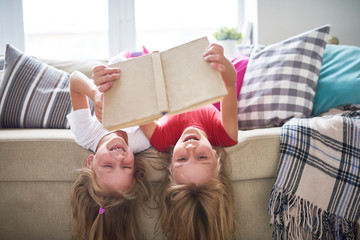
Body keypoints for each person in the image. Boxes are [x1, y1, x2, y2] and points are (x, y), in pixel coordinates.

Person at [95, 43, 241, 240]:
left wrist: (103, 87)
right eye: (201, 156)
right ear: (217, 158)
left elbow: (134, 102)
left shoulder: (162, 139)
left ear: (170, 165)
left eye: (182, 159)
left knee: (128, 59)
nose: (190, 148)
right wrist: (224, 65)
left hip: (154, 73)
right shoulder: (226, 134)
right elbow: (230, 84)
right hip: (195, 72)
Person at [67, 70, 151, 240]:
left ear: (90, 162)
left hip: (106, 76)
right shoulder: (143, 140)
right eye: (126, 166)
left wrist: (95, 95)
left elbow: (74, 79)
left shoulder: (86, 135)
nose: (119, 158)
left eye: (108, 166)